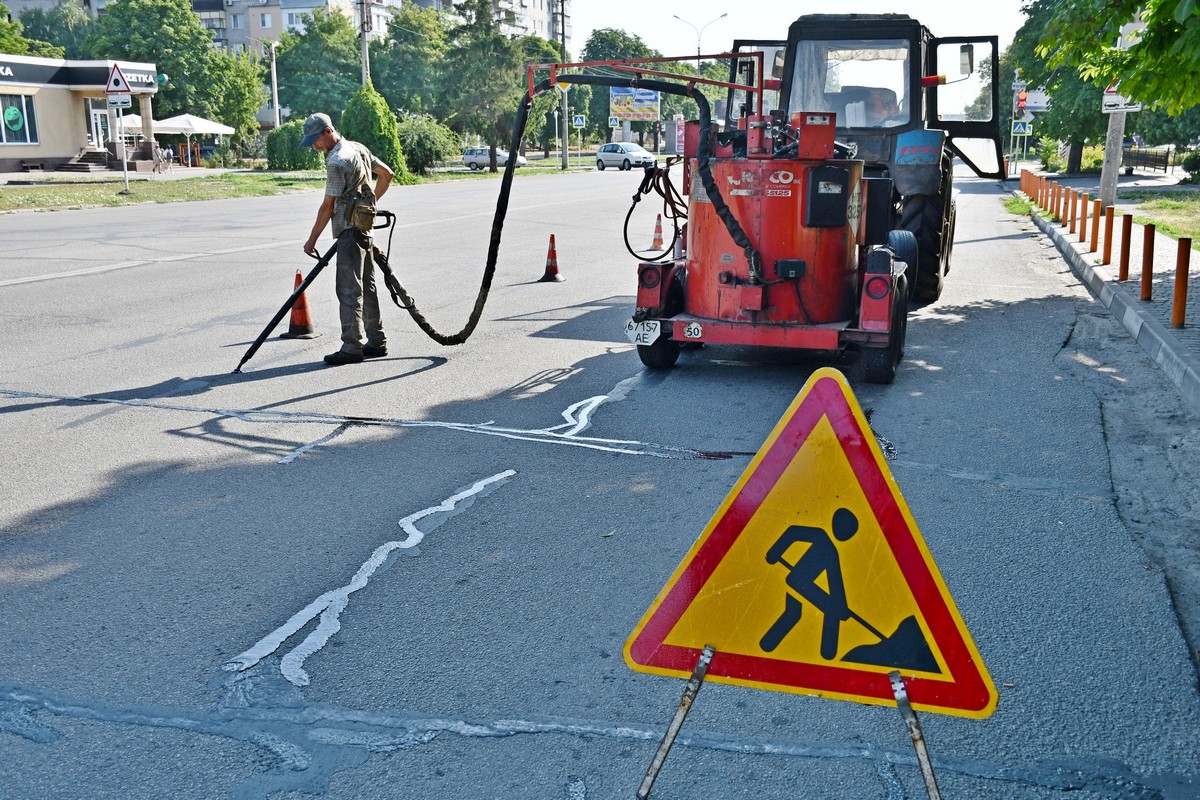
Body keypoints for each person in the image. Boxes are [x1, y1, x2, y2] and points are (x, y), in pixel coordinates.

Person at [301, 112, 394, 365]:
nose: (313, 146)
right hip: (365, 229)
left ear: (327, 131)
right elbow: (387, 174)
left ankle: (351, 346)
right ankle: (377, 341)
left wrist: (312, 241)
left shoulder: (337, 161)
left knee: (348, 290)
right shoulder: (358, 149)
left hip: (348, 231)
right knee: (368, 287)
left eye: (315, 140)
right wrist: (370, 204)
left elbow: (327, 207)